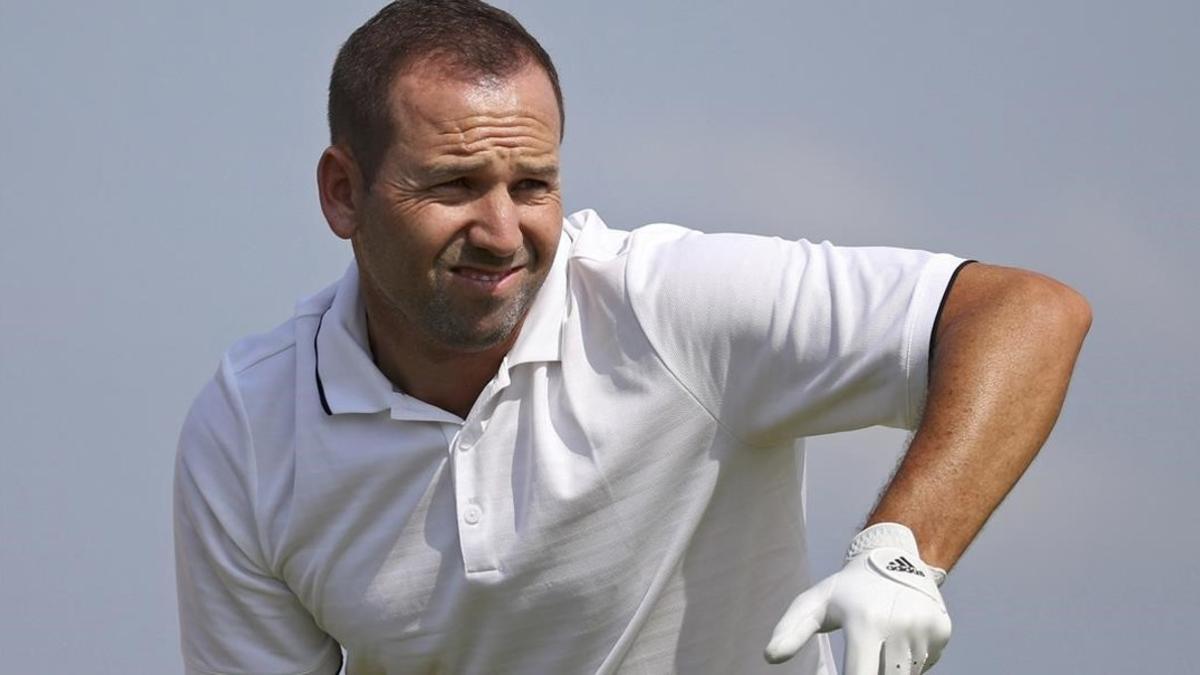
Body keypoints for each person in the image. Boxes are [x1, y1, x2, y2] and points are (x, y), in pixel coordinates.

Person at [172, 1, 1091, 674]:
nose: (502, 231)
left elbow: (1028, 313)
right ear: (342, 191)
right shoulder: (250, 428)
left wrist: (902, 549)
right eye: (454, 186)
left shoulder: (669, 305)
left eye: (532, 184)